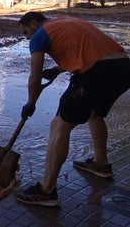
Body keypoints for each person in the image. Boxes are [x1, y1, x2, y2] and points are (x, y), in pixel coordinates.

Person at [14, 12, 130, 207]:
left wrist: (30, 103)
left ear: (34, 23)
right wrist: (58, 70)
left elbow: (34, 79)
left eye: (26, 32)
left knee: (60, 124)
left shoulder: (40, 35)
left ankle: (46, 190)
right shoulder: (64, 22)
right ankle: (100, 164)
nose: (27, 38)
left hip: (98, 71)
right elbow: (85, 49)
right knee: (94, 114)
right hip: (123, 67)